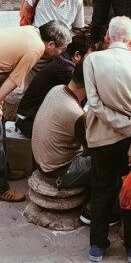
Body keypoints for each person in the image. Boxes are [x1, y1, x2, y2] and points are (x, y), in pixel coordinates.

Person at [0, 21, 72, 202]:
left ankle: (2, 170)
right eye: (61, 49)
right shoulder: (35, 49)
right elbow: (14, 80)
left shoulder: (32, 31)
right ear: (50, 44)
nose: (61, 54)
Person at [83, 15, 131, 263]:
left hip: (101, 139)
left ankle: (97, 246)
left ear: (109, 36)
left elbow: (93, 104)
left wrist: (119, 124)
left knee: (100, 191)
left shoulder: (91, 61)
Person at [31, 60, 91, 210]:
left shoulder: (57, 89)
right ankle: (93, 209)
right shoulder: (75, 113)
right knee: (109, 161)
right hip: (59, 173)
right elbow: (94, 145)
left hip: (42, 162)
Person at [15, 36, 91, 137]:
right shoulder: (67, 70)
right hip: (29, 123)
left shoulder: (62, 60)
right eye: (89, 58)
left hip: (28, 119)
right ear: (77, 55)